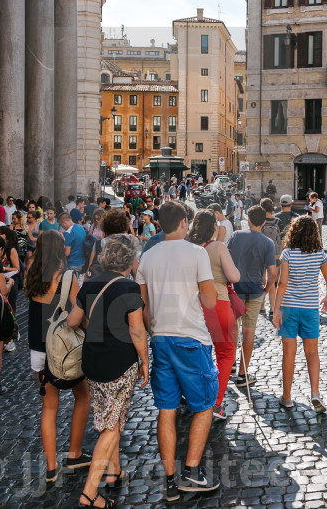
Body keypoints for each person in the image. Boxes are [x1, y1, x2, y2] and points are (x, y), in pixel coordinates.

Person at [136, 200, 221, 499]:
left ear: (159, 224)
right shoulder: (196, 253)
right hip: (190, 338)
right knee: (204, 405)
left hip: (160, 338)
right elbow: (210, 301)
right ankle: (192, 471)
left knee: (167, 409)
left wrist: (154, 330)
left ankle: (171, 480)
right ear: (184, 223)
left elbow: (142, 306)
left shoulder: (147, 256)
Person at [66, 234, 148, 507]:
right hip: (119, 362)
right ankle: (89, 494)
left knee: (108, 415)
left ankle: (113, 473)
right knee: (111, 425)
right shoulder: (129, 288)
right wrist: (145, 361)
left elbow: (73, 320)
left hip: (93, 360)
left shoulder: (89, 284)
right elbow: (137, 330)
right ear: (130, 261)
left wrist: (95, 328)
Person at [23, 231, 91, 481]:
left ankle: (51, 467)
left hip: (38, 350)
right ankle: (75, 453)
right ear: (58, 249)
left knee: (49, 407)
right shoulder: (66, 277)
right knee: (82, 396)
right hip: (62, 348)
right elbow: (78, 313)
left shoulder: (31, 273)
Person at [274, 215, 327, 413]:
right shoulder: (319, 254)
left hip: (289, 307)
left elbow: (282, 283)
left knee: (288, 354)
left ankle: (287, 396)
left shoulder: (288, 254)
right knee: (312, 352)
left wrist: (276, 308)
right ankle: (315, 393)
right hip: (310, 309)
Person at [187, 210, 240, 421]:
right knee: (226, 353)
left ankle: (195, 397)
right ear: (214, 228)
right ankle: (216, 403)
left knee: (199, 353)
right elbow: (234, 276)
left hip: (193, 305)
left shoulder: (189, 248)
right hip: (217, 303)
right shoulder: (218, 247)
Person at [227, 205, 277, 388]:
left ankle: (230, 364)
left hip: (236, 288)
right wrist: (266, 289)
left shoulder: (235, 236)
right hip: (255, 290)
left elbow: (227, 260)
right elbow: (273, 272)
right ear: (263, 222)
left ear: (248, 220)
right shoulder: (267, 243)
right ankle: (242, 374)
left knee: (233, 328)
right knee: (249, 332)